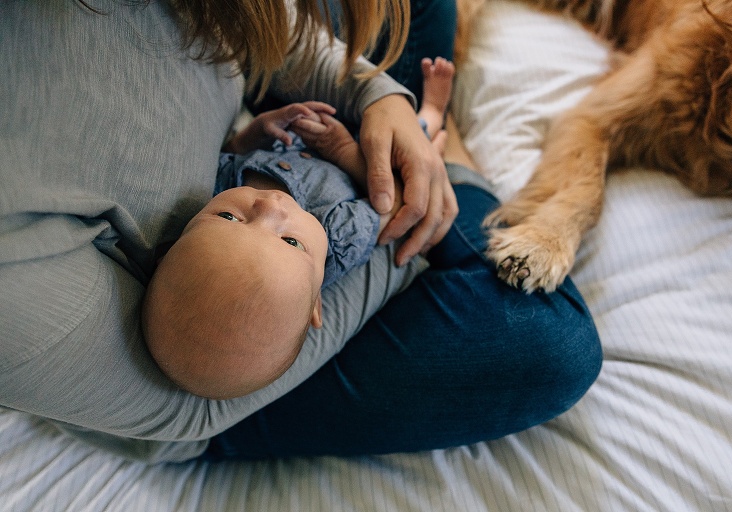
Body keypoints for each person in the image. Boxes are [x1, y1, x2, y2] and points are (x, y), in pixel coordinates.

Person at [1, 0, 602, 464]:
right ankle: (451, 153)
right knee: (545, 339)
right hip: (215, 388)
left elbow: (257, 25)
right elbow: (185, 391)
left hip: (276, 147)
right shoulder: (16, 272)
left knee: (423, 11)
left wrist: (377, 99)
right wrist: (410, 202)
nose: (270, 211)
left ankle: (420, 129)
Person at [143, 59, 455, 400]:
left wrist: (255, 133)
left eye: (229, 219)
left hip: (310, 121)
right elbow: (391, 201)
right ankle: (435, 110)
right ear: (315, 302)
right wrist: (342, 151)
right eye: (290, 241)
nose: (271, 206)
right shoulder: (339, 238)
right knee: (421, 135)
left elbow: (231, 152)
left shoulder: (217, 187)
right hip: (366, 153)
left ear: (173, 244)